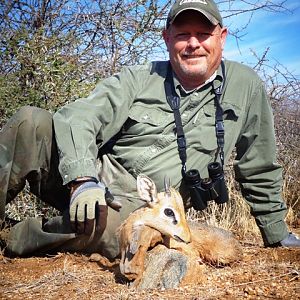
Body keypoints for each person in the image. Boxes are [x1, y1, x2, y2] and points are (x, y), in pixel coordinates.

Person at [0, 0, 299, 257]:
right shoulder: (139, 77)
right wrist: (83, 178)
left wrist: (275, 231)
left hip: (145, 203)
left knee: (113, 230)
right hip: (88, 180)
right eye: (183, 34)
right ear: (167, 38)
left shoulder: (246, 85)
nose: (193, 43)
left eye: (203, 34)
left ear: (221, 37)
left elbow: (258, 164)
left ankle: (12, 238)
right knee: (31, 122)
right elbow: (81, 115)